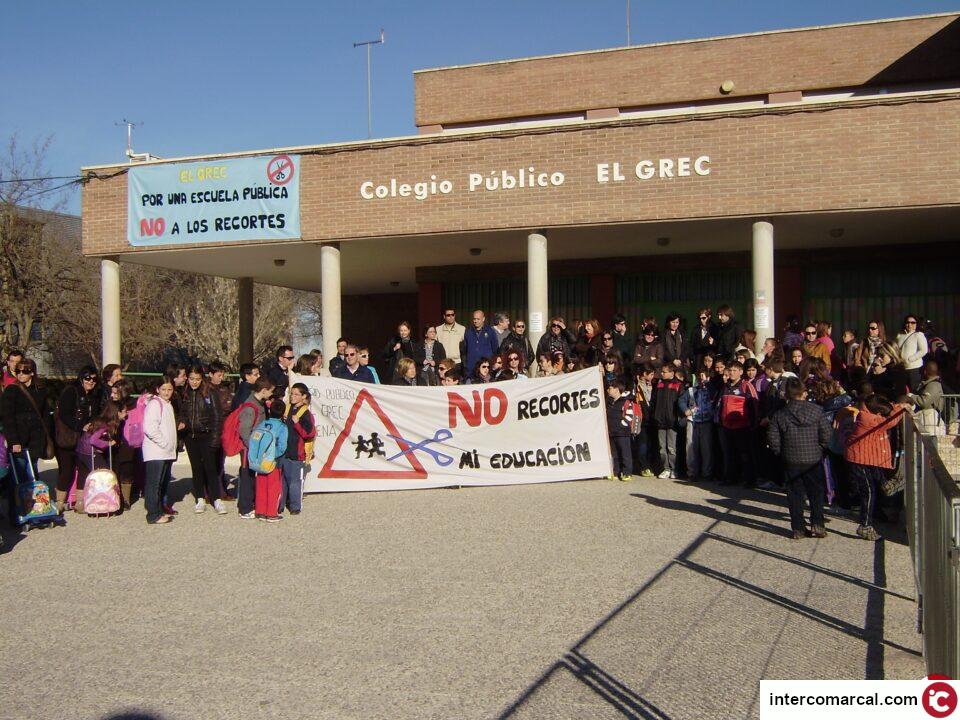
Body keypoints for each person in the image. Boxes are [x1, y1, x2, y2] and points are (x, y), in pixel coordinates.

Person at [766, 378, 832, 539]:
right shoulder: (816, 410)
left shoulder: (780, 414)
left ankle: (798, 528)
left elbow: (773, 438)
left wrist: (781, 452)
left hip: (790, 458)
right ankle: (818, 524)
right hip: (813, 458)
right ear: (803, 393)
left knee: (794, 494)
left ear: (786, 395)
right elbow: (826, 433)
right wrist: (820, 448)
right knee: (816, 493)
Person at [845, 394, 906, 541]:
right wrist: (900, 408)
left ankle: (884, 490)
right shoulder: (867, 418)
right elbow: (890, 421)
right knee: (868, 491)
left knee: (876, 482)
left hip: (868, 456)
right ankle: (865, 525)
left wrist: (896, 406)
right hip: (859, 458)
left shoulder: (868, 412)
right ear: (878, 412)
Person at [1, 358, 51, 505]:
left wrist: (47, 436)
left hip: (36, 437)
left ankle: (35, 505)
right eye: (18, 371)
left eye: (25, 371)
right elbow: (7, 418)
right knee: (18, 474)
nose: (21, 374)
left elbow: (45, 415)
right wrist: (14, 441)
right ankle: (17, 507)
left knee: (33, 471)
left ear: (32, 372)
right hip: (19, 438)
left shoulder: (40, 390)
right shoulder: (12, 390)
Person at [53, 366, 101, 514]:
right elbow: (64, 414)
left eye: (94, 379)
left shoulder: (94, 395)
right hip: (68, 437)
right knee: (66, 470)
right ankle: (60, 501)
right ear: (81, 378)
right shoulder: (70, 391)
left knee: (84, 469)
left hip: (84, 438)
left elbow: (96, 414)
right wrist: (80, 425)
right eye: (87, 378)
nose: (91, 381)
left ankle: (80, 501)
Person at [181, 365, 226, 515]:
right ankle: (200, 498)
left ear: (202, 379)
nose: (194, 382)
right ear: (187, 378)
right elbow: (181, 412)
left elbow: (217, 416)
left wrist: (215, 439)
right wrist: (182, 423)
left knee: (210, 468)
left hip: (206, 434)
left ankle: (216, 499)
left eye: (197, 379)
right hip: (190, 435)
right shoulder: (184, 392)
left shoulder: (209, 392)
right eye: (192, 379)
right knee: (196, 468)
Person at [141, 376, 177, 525]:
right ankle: (153, 514)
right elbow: (150, 428)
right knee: (154, 483)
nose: (167, 392)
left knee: (161, 482)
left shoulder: (167, 404)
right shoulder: (155, 404)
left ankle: (159, 509)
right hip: (156, 451)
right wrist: (165, 443)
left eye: (169, 389)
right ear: (157, 389)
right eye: (163, 389)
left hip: (166, 452)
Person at [237, 378, 275, 519]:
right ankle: (245, 508)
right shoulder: (250, 407)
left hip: (255, 446)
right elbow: (244, 431)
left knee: (252, 475)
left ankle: (250, 503)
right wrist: (254, 449)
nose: (271, 394)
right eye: (270, 391)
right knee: (246, 476)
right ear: (264, 390)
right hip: (249, 448)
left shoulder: (260, 403)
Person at [718, 361, 759, 487]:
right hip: (727, 426)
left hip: (742, 426)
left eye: (734, 370)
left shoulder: (746, 385)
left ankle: (749, 479)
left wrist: (753, 424)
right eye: (730, 370)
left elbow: (755, 405)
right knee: (730, 453)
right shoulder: (726, 386)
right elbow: (721, 404)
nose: (731, 373)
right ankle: (731, 478)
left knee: (745, 454)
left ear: (741, 372)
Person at [280, 383, 316, 516]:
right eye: (291, 394)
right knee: (283, 480)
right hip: (284, 451)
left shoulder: (305, 413)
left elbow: (309, 433)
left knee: (295, 481)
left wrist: (297, 423)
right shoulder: (287, 409)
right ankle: (280, 505)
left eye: (296, 394)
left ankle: (295, 506)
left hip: (297, 452)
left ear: (303, 396)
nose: (292, 397)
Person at [254, 400, 289, 524]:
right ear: (283, 413)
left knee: (261, 485)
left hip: (260, 460)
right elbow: (282, 446)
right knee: (273, 487)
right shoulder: (282, 427)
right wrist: (273, 455)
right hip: (274, 462)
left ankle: (260, 511)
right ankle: (271, 513)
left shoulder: (263, 423)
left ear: (269, 410)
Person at [651, 364, 684, 479]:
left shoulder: (678, 385)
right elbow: (653, 402)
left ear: (672, 373)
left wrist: (677, 418)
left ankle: (674, 469)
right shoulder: (659, 385)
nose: (662, 374)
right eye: (662, 371)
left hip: (672, 421)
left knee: (672, 447)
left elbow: (681, 403)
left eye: (664, 372)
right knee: (662, 447)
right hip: (660, 420)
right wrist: (655, 415)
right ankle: (666, 468)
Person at [685, 367, 718, 482]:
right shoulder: (692, 390)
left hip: (707, 421)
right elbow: (682, 400)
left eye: (703, 376)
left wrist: (707, 382)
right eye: (699, 376)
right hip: (694, 421)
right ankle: (693, 472)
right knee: (692, 449)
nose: (701, 379)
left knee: (706, 448)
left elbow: (715, 394)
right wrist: (685, 409)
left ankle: (706, 473)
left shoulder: (711, 389)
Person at [606, 379, 633, 481]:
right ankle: (616, 472)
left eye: (610, 388)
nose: (608, 390)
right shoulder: (609, 402)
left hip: (622, 433)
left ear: (617, 389)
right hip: (612, 432)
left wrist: (621, 425)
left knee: (625, 453)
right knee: (615, 454)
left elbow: (629, 416)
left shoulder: (625, 401)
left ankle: (627, 473)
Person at [461, 311, 501, 375]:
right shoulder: (468, 332)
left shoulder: (490, 331)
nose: (476, 321)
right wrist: (465, 365)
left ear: (483, 319)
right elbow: (464, 351)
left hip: (486, 368)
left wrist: (492, 364)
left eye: (478, 319)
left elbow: (495, 350)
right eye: (474, 319)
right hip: (471, 369)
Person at [912, 360, 945, 434]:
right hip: (926, 417)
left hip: (930, 418)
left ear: (925, 371)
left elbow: (924, 402)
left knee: (929, 439)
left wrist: (911, 397)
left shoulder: (933, 385)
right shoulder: (928, 384)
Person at [896, 314, 928, 391]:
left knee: (914, 391)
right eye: (907, 322)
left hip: (914, 368)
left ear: (917, 324)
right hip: (902, 368)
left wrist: (910, 359)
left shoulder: (919, 335)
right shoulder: (900, 335)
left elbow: (924, 350)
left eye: (913, 323)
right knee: (902, 390)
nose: (909, 324)